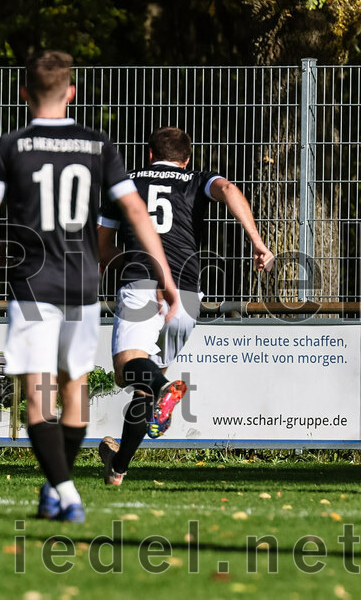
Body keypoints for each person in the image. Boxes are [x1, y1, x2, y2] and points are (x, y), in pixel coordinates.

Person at [0, 51, 179, 523]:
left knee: (38, 397)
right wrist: (165, 278)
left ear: (25, 93)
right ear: (72, 93)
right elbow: (136, 213)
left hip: (30, 283)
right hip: (81, 283)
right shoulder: (98, 144)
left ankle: (65, 490)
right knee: (74, 392)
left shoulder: (10, 145)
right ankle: (57, 488)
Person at [96, 126, 274, 485]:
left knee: (127, 370)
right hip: (188, 297)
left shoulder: (124, 183)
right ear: (186, 158)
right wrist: (257, 241)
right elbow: (228, 189)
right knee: (146, 384)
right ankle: (118, 468)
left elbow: (102, 248)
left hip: (143, 284)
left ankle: (163, 388)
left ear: (149, 154)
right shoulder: (197, 179)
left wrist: (127, 264)